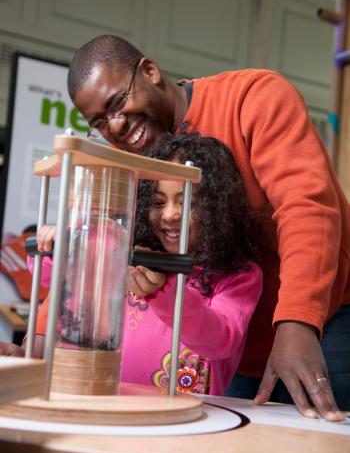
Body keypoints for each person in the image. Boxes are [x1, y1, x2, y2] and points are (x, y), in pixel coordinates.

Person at [65, 34, 350, 420]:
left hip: (320, 318)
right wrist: (39, 338)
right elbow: (93, 249)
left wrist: (298, 322)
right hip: (232, 344)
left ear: (150, 71)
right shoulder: (127, 157)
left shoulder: (254, 97)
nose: (115, 126)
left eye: (117, 103)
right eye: (98, 121)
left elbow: (306, 207)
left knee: (319, 449)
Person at [4, 133, 263, 395]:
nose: (170, 214)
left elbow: (221, 339)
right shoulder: (124, 249)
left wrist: (165, 292)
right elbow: (61, 277)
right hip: (106, 404)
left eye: (188, 204)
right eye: (158, 202)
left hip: (181, 421)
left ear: (218, 208)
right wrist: (59, 244)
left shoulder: (239, 275)